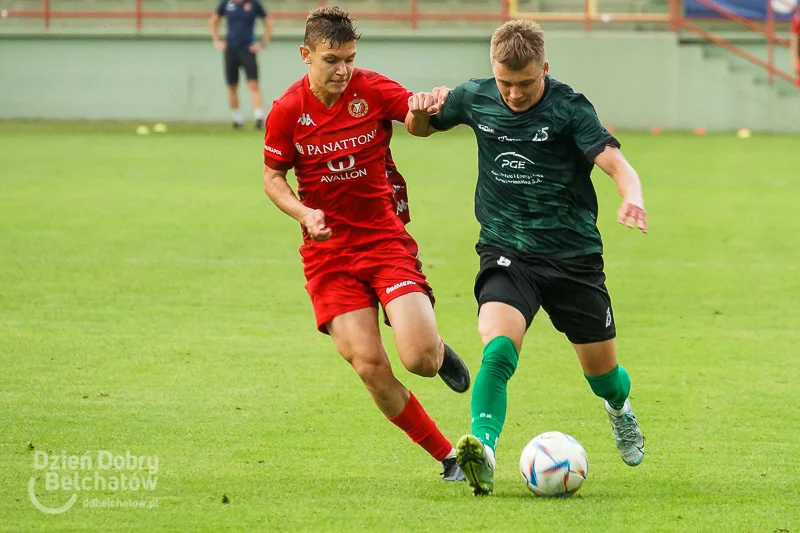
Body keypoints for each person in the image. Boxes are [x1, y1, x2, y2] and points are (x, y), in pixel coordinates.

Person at [406, 19, 647, 496]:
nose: (514, 94)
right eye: (505, 83)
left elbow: (615, 163)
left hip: (574, 257)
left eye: (525, 83)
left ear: (545, 70)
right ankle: (485, 450)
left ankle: (620, 410)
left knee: (604, 378)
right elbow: (422, 129)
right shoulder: (474, 96)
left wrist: (632, 194)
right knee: (497, 345)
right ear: (492, 71)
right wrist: (417, 111)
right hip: (507, 249)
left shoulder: (570, 108)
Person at [261, 6, 471, 481]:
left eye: (349, 59)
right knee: (370, 364)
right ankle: (447, 457)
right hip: (328, 254)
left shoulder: (372, 89)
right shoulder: (288, 111)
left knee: (418, 359)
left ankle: (437, 349)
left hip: (383, 241)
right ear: (306, 54)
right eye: (331, 59)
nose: (342, 70)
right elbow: (272, 177)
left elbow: (417, 127)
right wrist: (303, 211)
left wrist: (419, 114)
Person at [210, 0, 273, 129]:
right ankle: (237, 119)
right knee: (232, 86)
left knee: (253, 84)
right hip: (231, 51)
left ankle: (259, 118)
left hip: (247, 50)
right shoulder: (226, 3)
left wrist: (262, 44)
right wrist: (217, 40)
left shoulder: (254, 3)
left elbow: (268, 22)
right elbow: (213, 20)